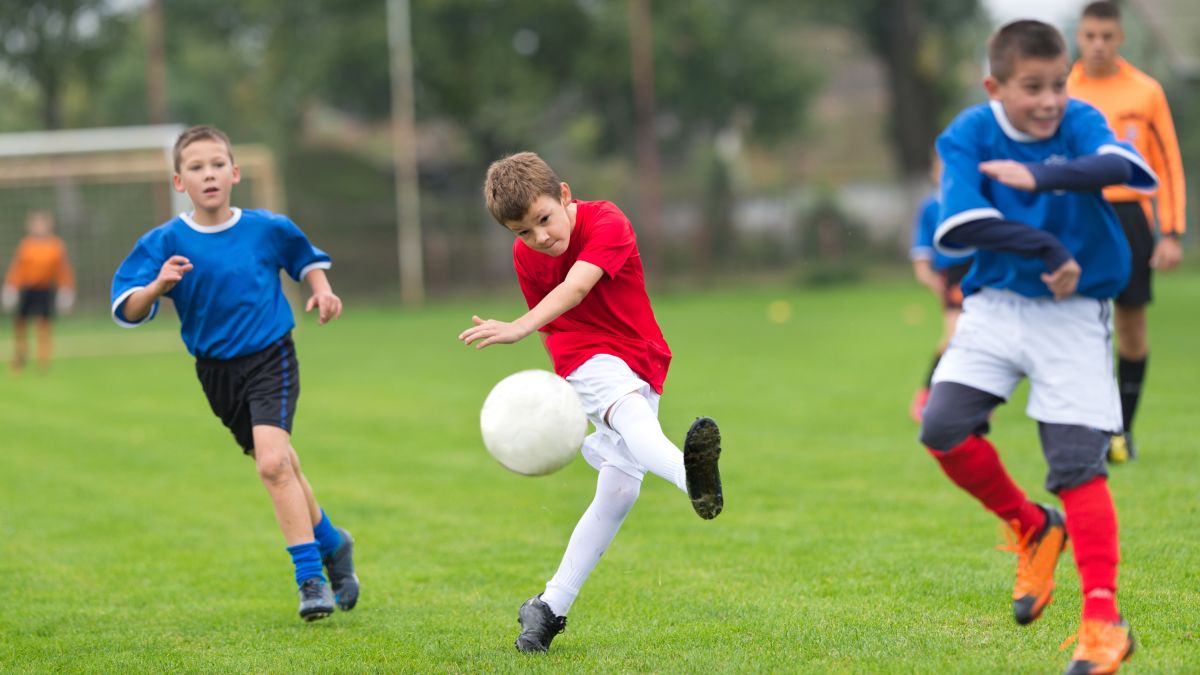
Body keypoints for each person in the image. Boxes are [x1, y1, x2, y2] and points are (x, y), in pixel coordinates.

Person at [919, 20, 1156, 674]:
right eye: (1033, 88)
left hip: (1074, 314)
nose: (1050, 100)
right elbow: (961, 224)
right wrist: (1049, 247)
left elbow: (1128, 168)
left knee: (1078, 462)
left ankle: (1103, 622)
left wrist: (1039, 178)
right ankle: (1030, 524)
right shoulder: (968, 133)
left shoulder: (1079, 120)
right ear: (996, 86)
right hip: (995, 305)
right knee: (942, 428)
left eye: (1058, 84)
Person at [459, 151, 724, 653]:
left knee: (619, 493)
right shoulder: (528, 256)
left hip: (638, 353)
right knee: (631, 416)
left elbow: (579, 285)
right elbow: (566, 315)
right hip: (582, 355)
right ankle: (693, 479)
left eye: (544, 220)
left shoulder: (607, 220)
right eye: (523, 233)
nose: (540, 238)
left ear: (564, 196)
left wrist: (518, 325)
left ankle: (548, 607)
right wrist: (531, 331)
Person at [109, 125, 358, 622]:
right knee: (281, 464)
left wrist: (322, 289)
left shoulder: (267, 227)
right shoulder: (165, 241)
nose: (209, 175)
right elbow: (128, 308)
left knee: (271, 465)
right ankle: (334, 542)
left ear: (235, 173)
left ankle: (310, 579)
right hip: (215, 373)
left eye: (217, 164)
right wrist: (157, 285)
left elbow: (306, 259)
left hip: (271, 357)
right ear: (179, 182)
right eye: (196, 168)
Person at [1067, 0, 1187, 463]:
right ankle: (1088, 428)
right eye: (1090, 35)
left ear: (1120, 38)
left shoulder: (1145, 91)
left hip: (1131, 217)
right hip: (1079, 214)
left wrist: (1172, 231)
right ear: (1079, 37)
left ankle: (1123, 431)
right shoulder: (1063, 90)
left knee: (1131, 326)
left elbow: (1169, 164)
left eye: (1107, 36)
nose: (1098, 44)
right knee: (1077, 325)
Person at [908, 152, 973, 421]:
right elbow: (922, 254)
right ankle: (926, 394)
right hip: (955, 274)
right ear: (934, 173)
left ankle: (975, 400)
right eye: (941, 169)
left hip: (984, 270)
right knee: (954, 335)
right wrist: (931, 278)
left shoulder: (974, 200)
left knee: (983, 338)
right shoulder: (931, 207)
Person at [3, 210, 75, 373]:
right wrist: (11, 287)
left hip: (44, 290)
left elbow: (63, 270)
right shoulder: (26, 245)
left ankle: (43, 361)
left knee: (43, 324)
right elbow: (17, 269)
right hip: (27, 289)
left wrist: (66, 290)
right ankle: (20, 356)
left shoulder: (56, 246)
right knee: (20, 323)